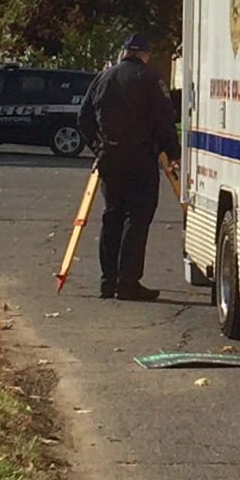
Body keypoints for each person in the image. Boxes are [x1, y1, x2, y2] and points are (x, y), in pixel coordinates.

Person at [78, 33, 179, 301]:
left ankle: (107, 281)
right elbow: (164, 120)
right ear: (145, 54)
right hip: (141, 157)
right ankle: (128, 281)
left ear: (124, 52)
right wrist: (173, 153)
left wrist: (98, 147)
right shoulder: (149, 79)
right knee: (137, 217)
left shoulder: (103, 78)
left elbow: (84, 117)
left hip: (110, 157)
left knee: (112, 215)